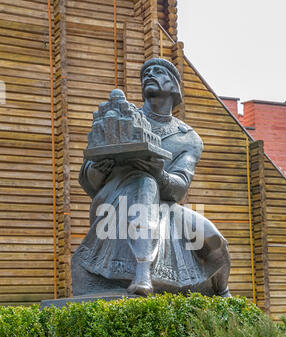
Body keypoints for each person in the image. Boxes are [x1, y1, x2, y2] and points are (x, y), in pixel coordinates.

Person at [72, 58, 231, 297]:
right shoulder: (123, 117)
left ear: (174, 86)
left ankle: (221, 293)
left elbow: (179, 188)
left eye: (158, 71)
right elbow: (87, 178)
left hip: (164, 206)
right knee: (143, 184)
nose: (149, 75)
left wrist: (158, 172)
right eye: (145, 73)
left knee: (213, 239)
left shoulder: (188, 138)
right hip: (116, 198)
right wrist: (99, 169)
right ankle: (142, 274)